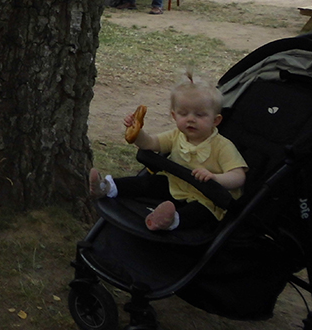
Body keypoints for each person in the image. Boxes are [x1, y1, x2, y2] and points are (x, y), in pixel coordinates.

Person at [89, 70, 247, 232]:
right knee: (148, 183)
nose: (191, 119)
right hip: (175, 185)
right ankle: (107, 187)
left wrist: (215, 178)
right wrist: (137, 132)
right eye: (183, 114)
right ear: (174, 115)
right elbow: (151, 143)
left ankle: (169, 220)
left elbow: (238, 176)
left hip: (206, 196)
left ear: (216, 120)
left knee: (200, 213)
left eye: (200, 115)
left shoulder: (222, 146)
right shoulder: (176, 135)